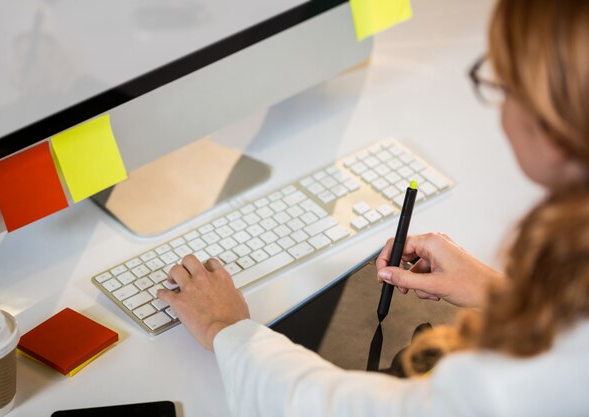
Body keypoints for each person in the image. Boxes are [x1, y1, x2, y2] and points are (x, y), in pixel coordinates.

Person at [157, 0, 589, 414]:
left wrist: (227, 331)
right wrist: (502, 295)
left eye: (501, 82)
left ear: (553, 123)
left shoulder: (522, 385)